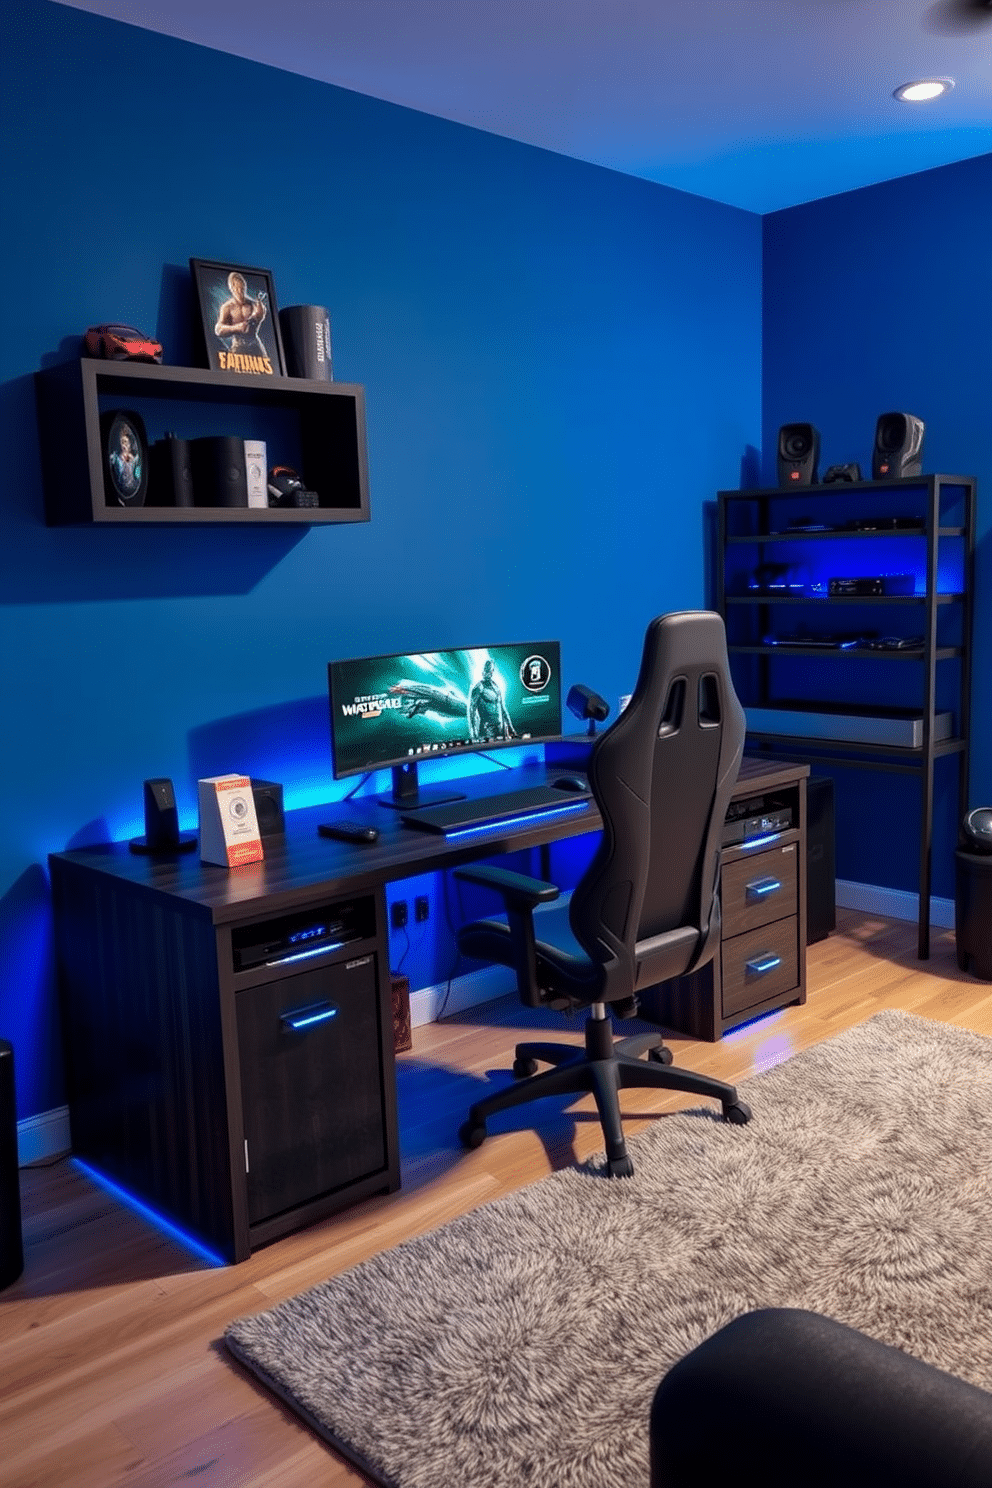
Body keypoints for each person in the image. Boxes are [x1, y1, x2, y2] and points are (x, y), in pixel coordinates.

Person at [214, 271, 268, 353]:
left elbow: (260, 317)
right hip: (238, 346)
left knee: (269, 365)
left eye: (242, 288)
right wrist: (235, 328)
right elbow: (218, 330)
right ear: (231, 288)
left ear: (245, 286)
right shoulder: (227, 307)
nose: (240, 291)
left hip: (255, 344)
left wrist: (259, 313)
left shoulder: (254, 304)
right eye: (237, 288)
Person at [468, 659, 516, 742]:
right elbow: (472, 711)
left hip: (500, 728)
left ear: (492, 671)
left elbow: (503, 709)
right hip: (487, 729)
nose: (488, 672)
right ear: (483, 670)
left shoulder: (496, 686)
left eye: (490, 669)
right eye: (486, 669)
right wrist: (474, 733)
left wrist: (511, 728)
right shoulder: (479, 688)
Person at [109, 427, 139, 497]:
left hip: (133, 490)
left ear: (130, 444)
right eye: (122, 442)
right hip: (121, 492)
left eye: (126, 442)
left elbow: (137, 476)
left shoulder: (135, 459)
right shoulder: (116, 457)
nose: (123, 444)